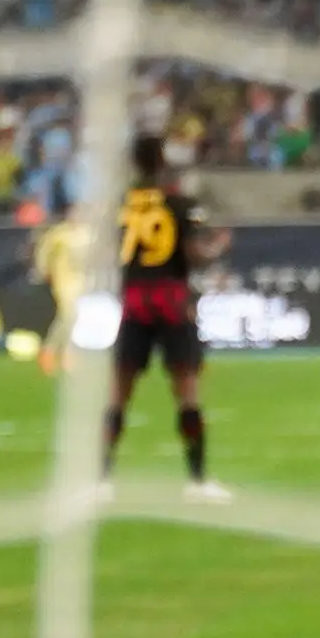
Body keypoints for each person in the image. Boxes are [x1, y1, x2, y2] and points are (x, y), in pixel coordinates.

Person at [104, 135, 232, 498]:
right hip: (171, 299)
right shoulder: (179, 202)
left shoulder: (123, 204)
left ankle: (100, 479)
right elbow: (194, 255)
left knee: (119, 390)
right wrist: (218, 247)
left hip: (134, 299)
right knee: (187, 389)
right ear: (162, 160)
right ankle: (198, 480)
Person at [30, 201, 88, 378]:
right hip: (63, 280)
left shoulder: (87, 234)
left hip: (82, 281)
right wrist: (42, 271)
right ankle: (64, 354)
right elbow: (43, 253)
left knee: (70, 318)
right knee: (69, 314)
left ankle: (51, 350)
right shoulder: (59, 234)